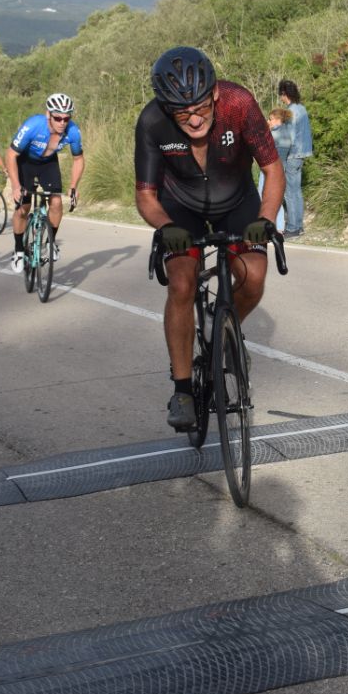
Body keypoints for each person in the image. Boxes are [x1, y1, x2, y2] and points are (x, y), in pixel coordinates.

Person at [135, 47, 283, 429]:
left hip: (237, 200)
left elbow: (272, 169)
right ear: (166, 108)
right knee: (182, 283)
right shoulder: (152, 121)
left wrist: (266, 219)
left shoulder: (239, 104)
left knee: (253, 276)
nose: (195, 118)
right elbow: (146, 196)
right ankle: (183, 389)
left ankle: (225, 331)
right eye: (182, 112)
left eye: (201, 106)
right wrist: (165, 226)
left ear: (215, 92)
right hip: (180, 208)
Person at [7, 93, 83, 270]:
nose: (62, 122)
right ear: (48, 114)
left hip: (48, 163)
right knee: (23, 207)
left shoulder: (73, 131)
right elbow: (11, 154)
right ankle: (18, 251)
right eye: (58, 118)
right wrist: (16, 186)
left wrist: (73, 186)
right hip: (25, 162)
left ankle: (51, 242)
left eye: (66, 118)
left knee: (56, 202)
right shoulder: (33, 125)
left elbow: (78, 158)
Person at [277, 79, 312, 238]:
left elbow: (288, 138)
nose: (281, 98)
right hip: (302, 154)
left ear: (285, 94)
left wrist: (281, 159)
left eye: (281, 94)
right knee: (296, 191)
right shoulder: (302, 108)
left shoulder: (290, 112)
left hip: (291, 156)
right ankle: (299, 226)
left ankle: (292, 228)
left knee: (289, 193)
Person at [258, 108, 291, 231]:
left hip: (269, 169)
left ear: (277, 120)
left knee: (263, 195)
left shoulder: (273, 134)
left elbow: (261, 149)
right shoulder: (287, 133)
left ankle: (266, 226)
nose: (268, 121)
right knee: (277, 197)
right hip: (282, 168)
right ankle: (280, 227)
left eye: (270, 119)